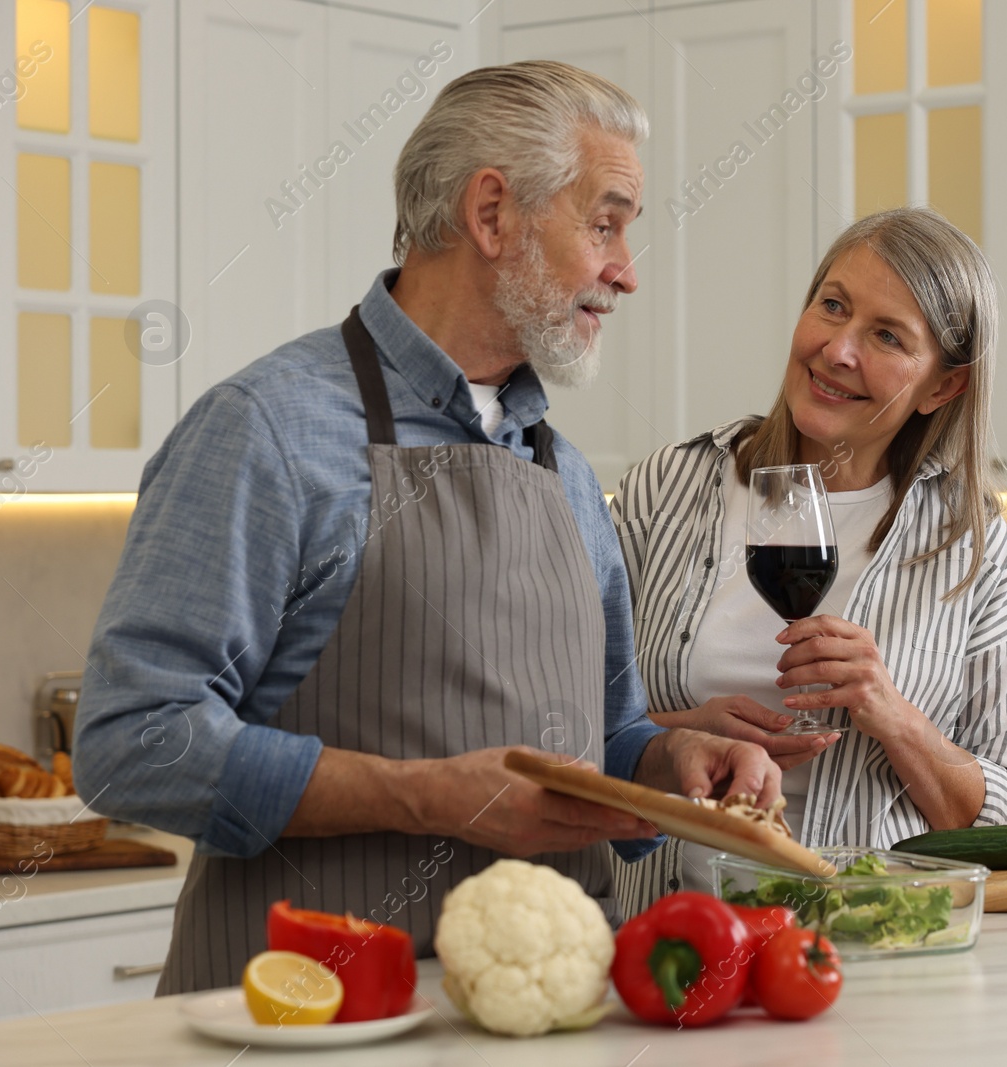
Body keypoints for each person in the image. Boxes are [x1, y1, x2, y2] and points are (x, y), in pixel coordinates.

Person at [73, 61, 778, 994]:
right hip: (302, 1027)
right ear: (492, 214)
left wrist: (669, 757)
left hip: (543, 1025)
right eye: (604, 223)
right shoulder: (268, 428)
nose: (626, 272)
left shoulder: (561, 470)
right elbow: (131, 743)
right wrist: (423, 796)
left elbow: (602, 737)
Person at [610, 207, 1007, 913]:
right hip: (670, 942)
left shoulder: (972, 540)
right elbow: (564, 729)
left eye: (887, 336)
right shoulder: (668, 486)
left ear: (943, 387)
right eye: (832, 306)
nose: (838, 350)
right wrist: (679, 731)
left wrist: (891, 714)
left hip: (869, 951)